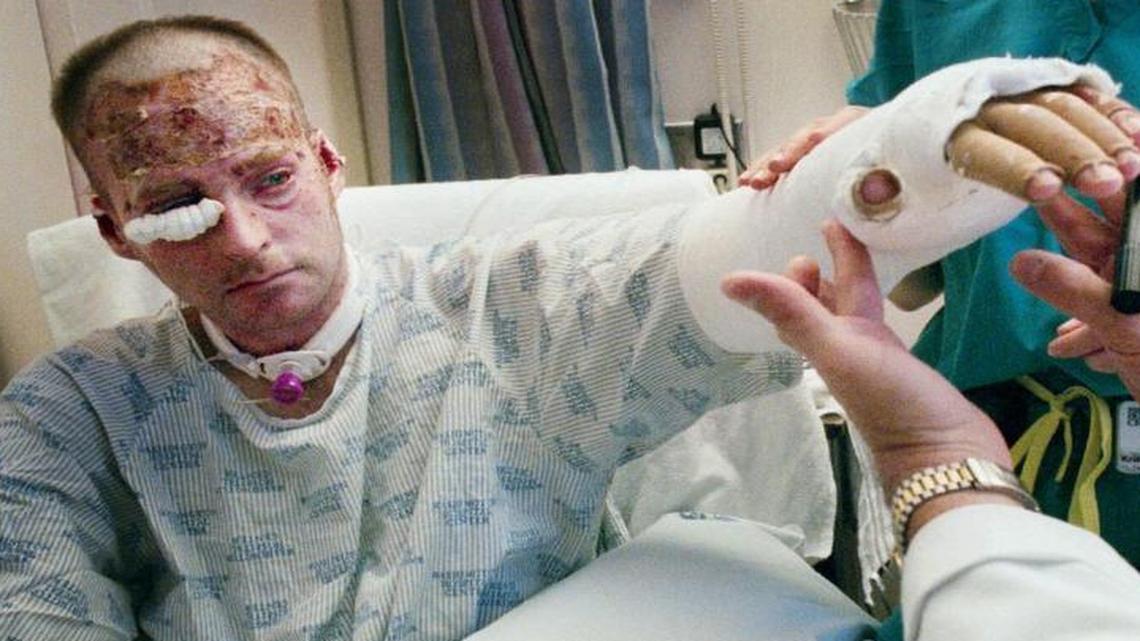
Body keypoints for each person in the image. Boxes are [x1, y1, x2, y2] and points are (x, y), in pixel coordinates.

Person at [1, 14, 1134, 640]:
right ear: (114, 232)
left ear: (331, 163)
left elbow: (723, 268)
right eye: (180, 207)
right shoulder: (70, 408)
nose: (244, 238)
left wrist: (894, 161)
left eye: (270, 178)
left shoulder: (514, 309)